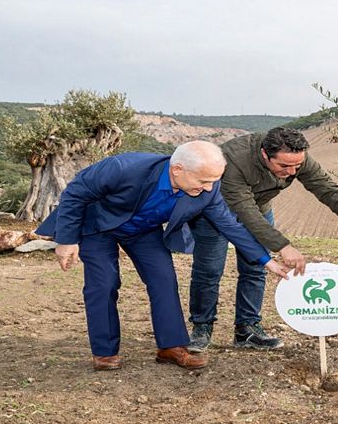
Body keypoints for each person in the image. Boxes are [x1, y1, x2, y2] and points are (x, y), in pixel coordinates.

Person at [36, 141, 288, 371]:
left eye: (213, 181)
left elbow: (230, 226)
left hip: (143, 231)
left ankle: (171, 347)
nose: (209, 188)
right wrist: (67, 240)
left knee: (164, 280)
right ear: (178, 169)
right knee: (104, 284)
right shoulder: (122, 168)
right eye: (204, 181)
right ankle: (104, 352)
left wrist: (266, 260)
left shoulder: (207, 189)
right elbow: (75, 193)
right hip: (97, 226)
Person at [187, 127, 338, 352]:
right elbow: (245, 210)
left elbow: (325, 187)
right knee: (210, 269)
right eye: (284, 166)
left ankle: (247, 329)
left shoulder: (295, 157)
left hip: (260, 208)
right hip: (216, 212)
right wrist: (282, 246)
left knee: (254, 269)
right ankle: (201, 327)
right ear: (265, 154)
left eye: (297, 166)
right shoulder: (234, 159)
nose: (292, 172)